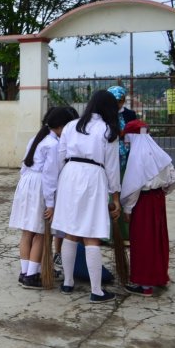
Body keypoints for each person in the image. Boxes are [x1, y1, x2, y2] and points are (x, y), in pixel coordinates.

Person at [52, 90, 122, 303]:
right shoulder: (108, 130)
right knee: (91, 233)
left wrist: (60, 182)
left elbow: (60, 156)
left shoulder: (72, 125)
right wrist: (115, 197)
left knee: (71, 231)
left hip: (70, 174)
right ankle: (96, 290)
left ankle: (68, 282)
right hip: (94, 176)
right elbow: (112, 167)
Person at [8, 107, 77, 289]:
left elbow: (24, 166)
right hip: (39, 185)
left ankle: (24, 273)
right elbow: (50, 176)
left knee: (26, 232)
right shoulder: (53, 145)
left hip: (26, 182)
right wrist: (51, 204)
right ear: (61, 126)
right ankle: (32, 276)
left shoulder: (36, 139)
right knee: (39, 232)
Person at [121, 120, 175, 297]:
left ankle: (145, 284)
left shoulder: (137, 156)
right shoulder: (158, 152)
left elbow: (133, 187)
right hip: (158, 200)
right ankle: (159, 276)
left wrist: (127, 209)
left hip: (143, 202)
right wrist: (162, 192)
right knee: (158, 239)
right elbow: (173, 178)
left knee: (143, 241)